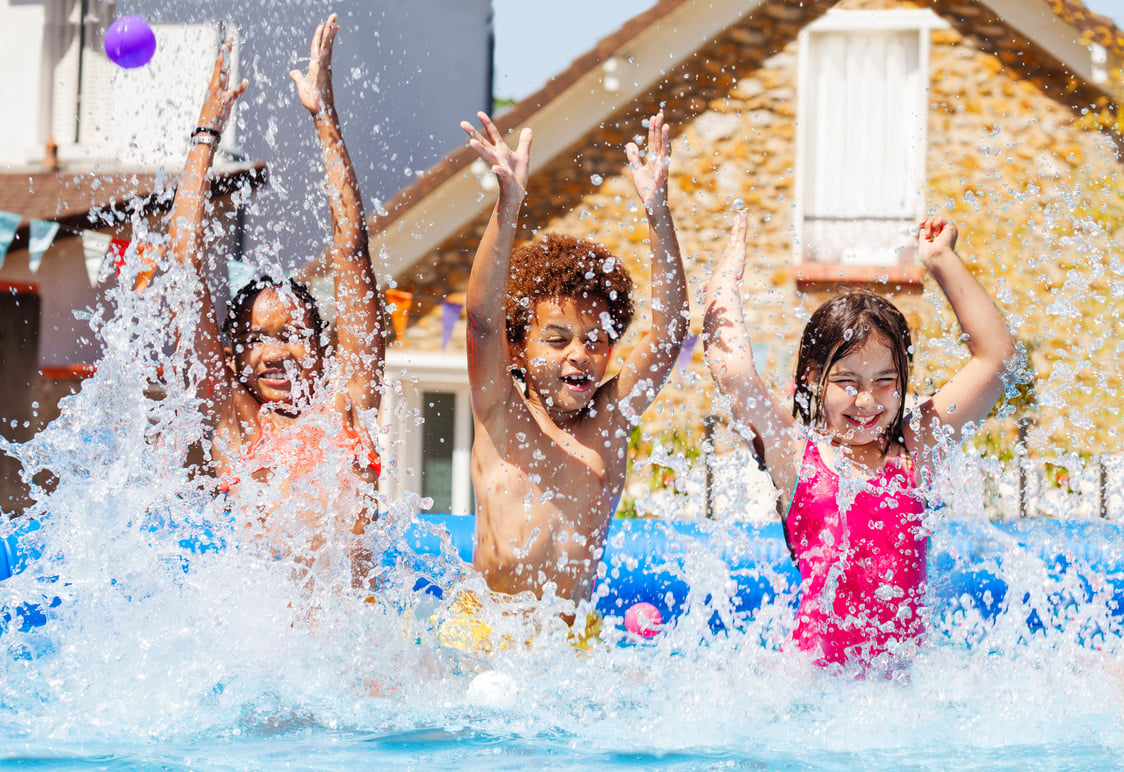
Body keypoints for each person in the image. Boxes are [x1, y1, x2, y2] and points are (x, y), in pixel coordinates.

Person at [704, 211, 1015, 670]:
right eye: (847, 381)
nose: (868, 400)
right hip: (818, 690)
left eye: (886, 379)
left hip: (902, 693)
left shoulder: (915, 449)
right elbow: (731, 371)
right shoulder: (797, 457)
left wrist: (941, 260)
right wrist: (724, 281)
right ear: (813, 379)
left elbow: (997, 360)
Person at [447, 110, 688, 645]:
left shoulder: (611, 418)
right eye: (557, 340)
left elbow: (671, 335)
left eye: (597, 341)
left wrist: (658, 213)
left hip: (570, 644)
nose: (580, 354)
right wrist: (508, 206)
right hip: (484, 633)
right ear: (518, 347)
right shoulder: (499, 407)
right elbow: (483, 320)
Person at [167, 16, 383, 577]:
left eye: (289, 335)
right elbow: (182, 266)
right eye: (256, 340)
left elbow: (352, 250)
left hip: (353, 644)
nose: (274, 353)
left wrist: (324, 120)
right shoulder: (235, 425)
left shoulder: (350, 403)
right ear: (236, 357)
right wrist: (205, 137)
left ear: (320, 344)